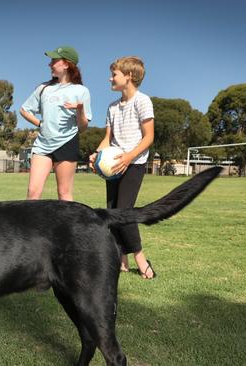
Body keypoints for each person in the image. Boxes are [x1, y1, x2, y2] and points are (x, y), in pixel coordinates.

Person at [89, 56, 156, 279]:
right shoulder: (112, 107)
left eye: (114, 74)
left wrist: (128, 157)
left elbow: (149, 138)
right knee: (111, 212)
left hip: (134, 163)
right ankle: (121, 260)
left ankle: (141, 259)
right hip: (114, 166)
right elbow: (108, 139)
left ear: (128, 76)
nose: (110, 78)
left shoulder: (143, 101)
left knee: (124, 212)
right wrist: (96, 156)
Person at [19, 45, 91, 201]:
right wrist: (40, 124)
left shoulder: (81, 91)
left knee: (64, 193)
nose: (49, 64)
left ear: (66, 64)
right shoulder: (43, 88)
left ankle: (70, 226)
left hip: (67, 143)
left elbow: (83, 127)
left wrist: (79, 110)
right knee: (32, 193)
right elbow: (24, 110)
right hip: (42, 145)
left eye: (53, 61)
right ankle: (29, 226)